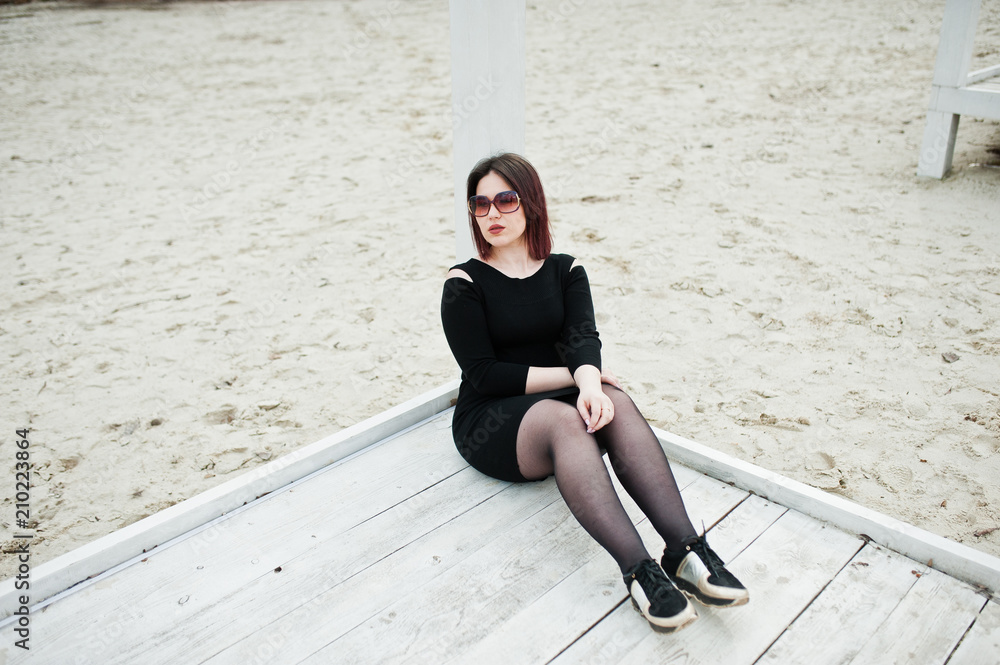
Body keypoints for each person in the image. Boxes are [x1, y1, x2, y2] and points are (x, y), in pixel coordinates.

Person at [440, 153, 748, 633]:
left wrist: (588, 380)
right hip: (495, 421)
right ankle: (638, 570)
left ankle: (685, 550)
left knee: (616, 401)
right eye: (480, 205)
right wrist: (575, 378)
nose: (492, 214)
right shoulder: (464, 283)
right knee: (568, 419)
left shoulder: (566, 271)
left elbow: (584, 339)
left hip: (555, 399)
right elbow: (484, 375)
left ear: (531, 204)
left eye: (505, 199)